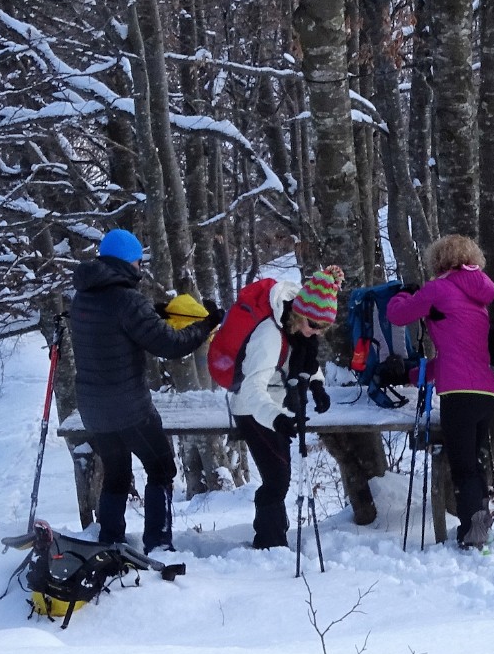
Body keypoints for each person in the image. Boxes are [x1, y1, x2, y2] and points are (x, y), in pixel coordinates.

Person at [71, 229, 222, 553]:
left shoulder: (83, 296)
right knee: (162, 467)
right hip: (129, 408)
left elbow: (117, 323)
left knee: (116, 473)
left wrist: (156, 312)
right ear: (128, 262)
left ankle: (110, 540)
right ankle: (159, 542)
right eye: (138, 261)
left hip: (94, 409)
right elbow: (169, 344)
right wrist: (205, 325)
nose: (140, 268)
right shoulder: (127, 300)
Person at [388, 235, 494, 549]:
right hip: (486, 392)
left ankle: (473, 534)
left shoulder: (439, 288)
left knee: (463, 466)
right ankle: (478, 526)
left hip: (459, 394)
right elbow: (459, 354)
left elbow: (397, 316)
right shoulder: (479, 300)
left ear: (438, 261)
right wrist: (415, 375)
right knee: (473, 463)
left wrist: (401, 295)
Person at [230, 266, 343, 549]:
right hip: (252, 408)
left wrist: (317, 386)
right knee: (277, 477)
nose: (315, 332)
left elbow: (302, 361)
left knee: (280, 476)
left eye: (322, 328)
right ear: (300, 313)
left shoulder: (299, 333)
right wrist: (277, 418)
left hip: (276, 407)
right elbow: (252, 389)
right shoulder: (269, 335)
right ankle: (268, 542)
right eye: (313, 325)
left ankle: (275, 536)